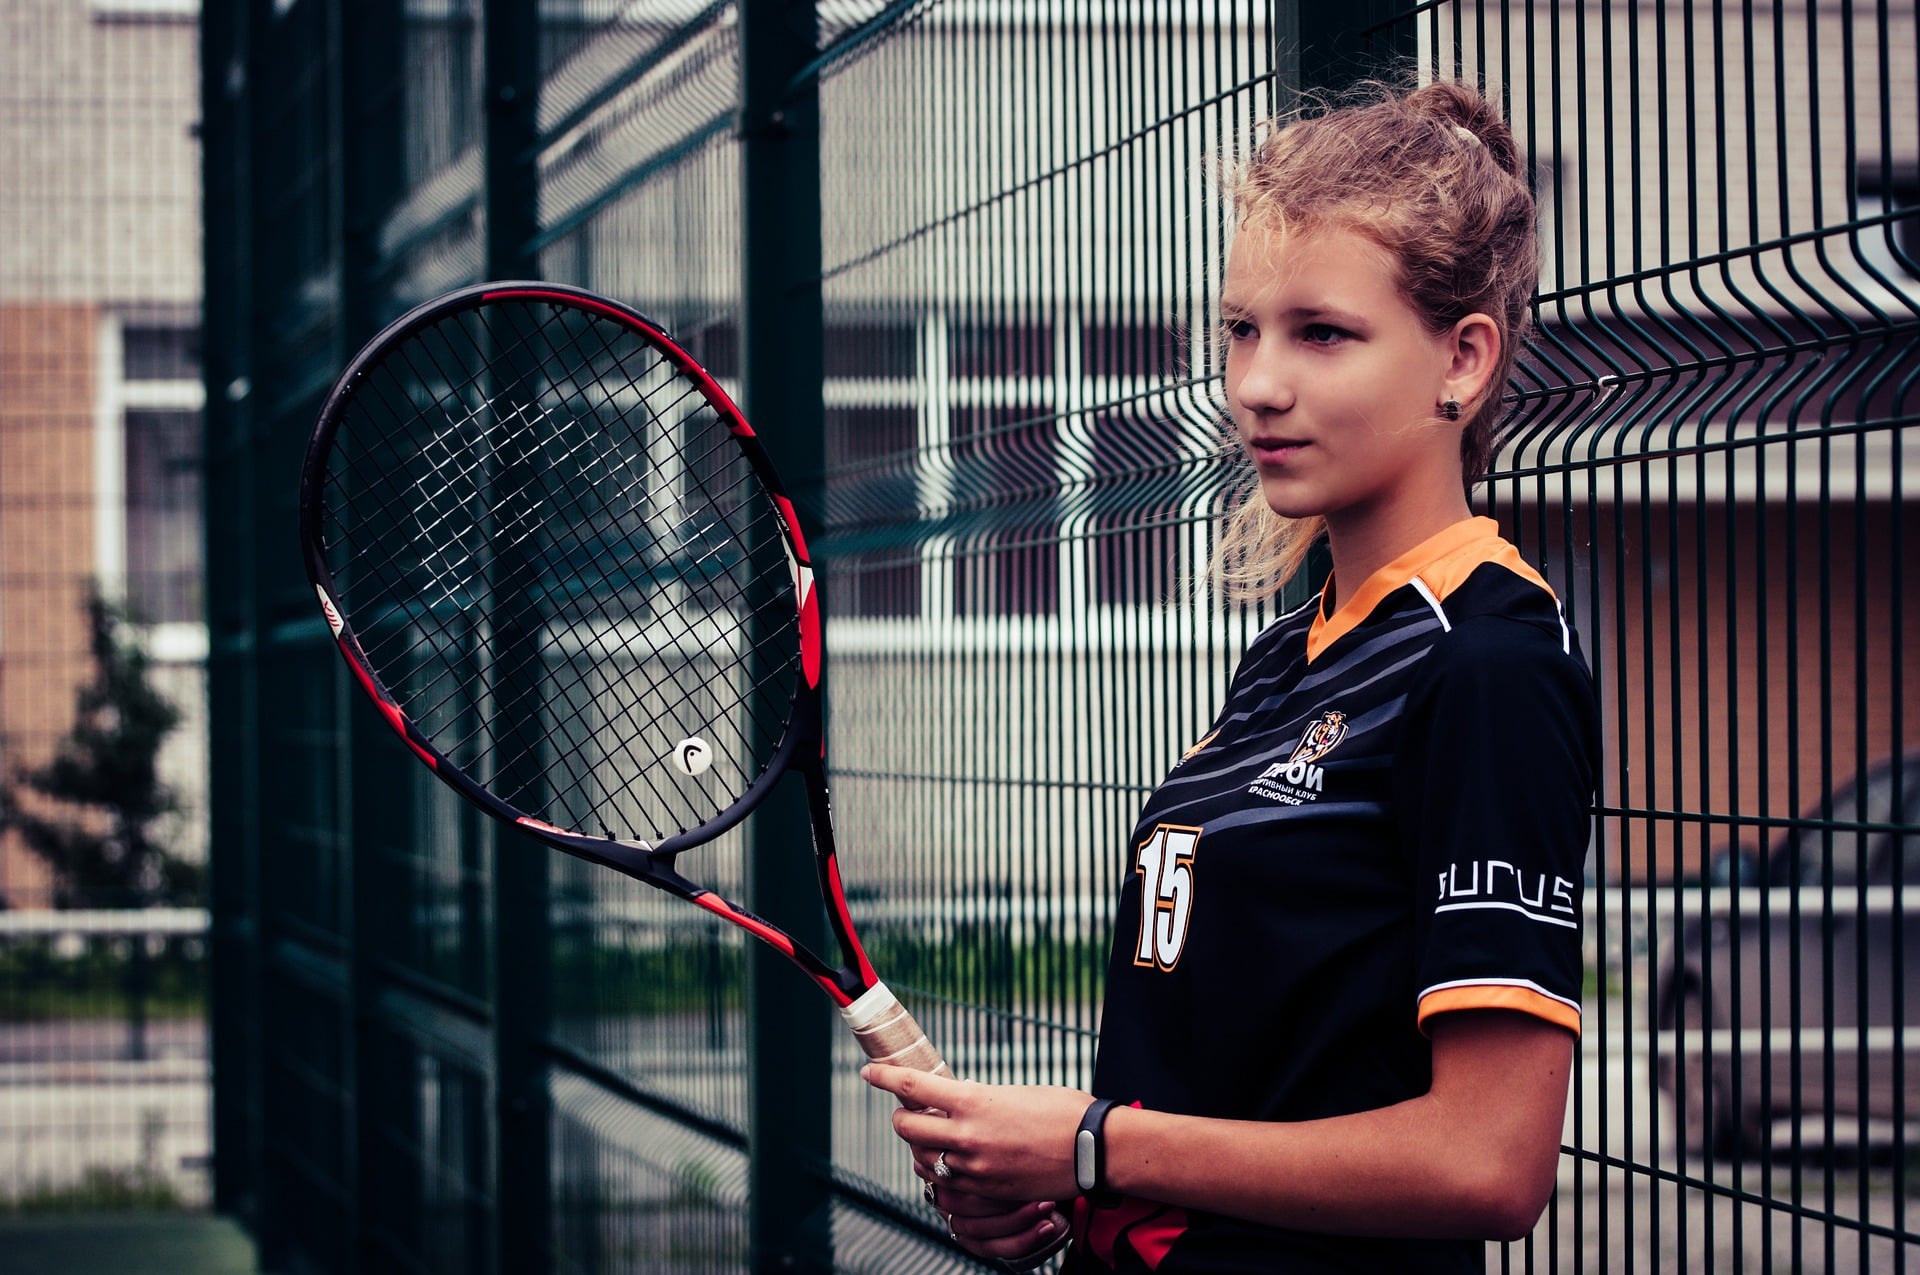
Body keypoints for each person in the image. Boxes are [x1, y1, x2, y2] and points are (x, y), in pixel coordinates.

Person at [862, 78, 1601, 1273]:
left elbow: (1487, 1163)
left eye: (1323, 333)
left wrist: (1100, 1145)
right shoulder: (1292, 649)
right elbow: (1225, 1087)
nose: (1258, 383)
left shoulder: (1489, 663)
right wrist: (1051, 1185)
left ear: (1463, 359)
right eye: (1242, 327)